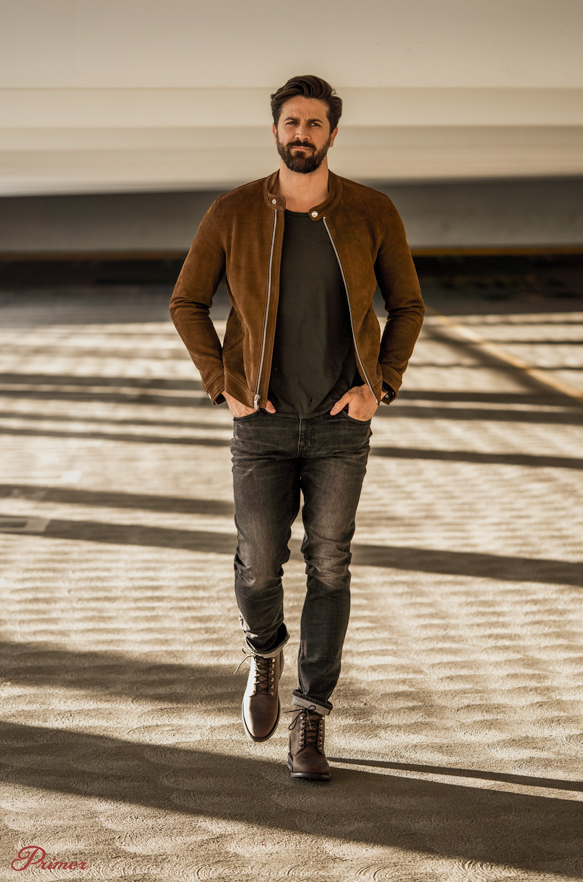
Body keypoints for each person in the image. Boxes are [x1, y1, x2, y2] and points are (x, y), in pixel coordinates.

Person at [170, 74, 424, 782]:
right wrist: (224, 382)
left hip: (341, 427)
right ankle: (263, 652)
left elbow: (408, 305)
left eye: (315, 123)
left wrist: (381, 385)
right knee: (257, 562)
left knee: (330, 564)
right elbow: (187, 301)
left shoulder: (371, 211)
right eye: (292, 122)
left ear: (333, 133)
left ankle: (311, 715)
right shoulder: (234, 213)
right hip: (264, 425)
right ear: (276, 130)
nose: (302, 133)